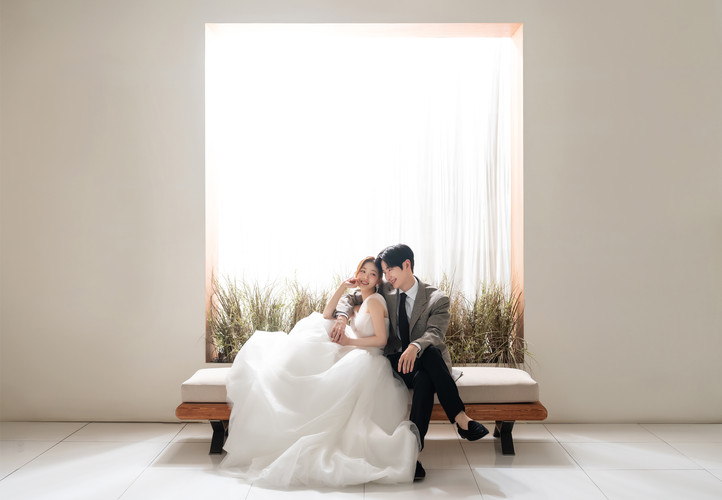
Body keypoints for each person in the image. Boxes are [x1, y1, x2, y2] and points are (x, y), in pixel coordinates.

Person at [221, 257, 419, 487]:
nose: (365, 277)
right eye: (363, 271)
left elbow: (381, 341)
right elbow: (327, 313)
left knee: (322, 374)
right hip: (356, 352)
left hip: (369, 359)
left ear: (379, 280)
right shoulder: (359, 301)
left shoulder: (374, 302)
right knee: (317, 326)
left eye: (372, 274)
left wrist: (348, 342)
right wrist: (343, 286)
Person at [332, 244, 490, 480]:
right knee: (429, 360)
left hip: (424, 362)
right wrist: (342, 318)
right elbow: (350, 297)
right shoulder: (386, 289)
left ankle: (413, 454)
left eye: (390, 270)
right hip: (395, 362)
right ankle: (460, 418)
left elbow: (435, 333)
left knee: (427, 368)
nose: (387, 276)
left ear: (407, 265)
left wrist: (415, 346)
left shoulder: (436, 298)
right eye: (384, 271)